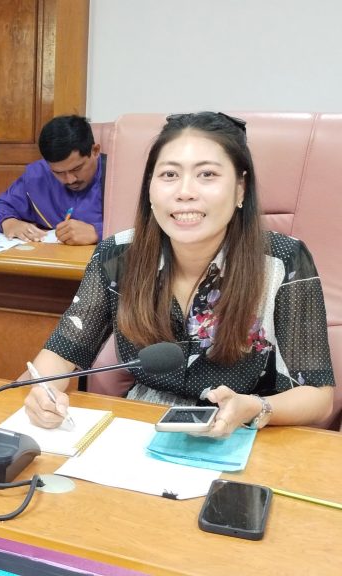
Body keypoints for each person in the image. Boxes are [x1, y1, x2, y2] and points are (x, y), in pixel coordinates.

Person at [23, 112, 334, 435]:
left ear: (241, 189)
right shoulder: (117, 255)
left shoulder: (283, 260)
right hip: (143, 428)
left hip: (249, 430)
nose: (185, 192)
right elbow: (61, 353)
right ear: (150, 187)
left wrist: (255, 407)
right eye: (169, 174)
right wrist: (42, 393)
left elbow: (318, 396)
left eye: (207, 175)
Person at [0, 115, 104, 245]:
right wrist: (9, 222)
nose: (69, 180)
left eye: (77, 168)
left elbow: (127, 228)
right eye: (58, 172)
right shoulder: (38, 176)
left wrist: (98, 232)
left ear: (95, 151)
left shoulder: (117, 177)